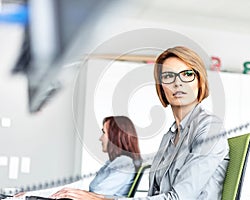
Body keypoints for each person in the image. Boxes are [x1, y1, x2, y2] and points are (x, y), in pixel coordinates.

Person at [51, 46, 230, 200]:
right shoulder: (169, 137)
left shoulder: (209, 127)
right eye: (168, 76)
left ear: (200, 81)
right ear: (161, 87)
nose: (178, 83)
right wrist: (100, 197)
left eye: (187, 74)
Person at [16, 116, 142, 198]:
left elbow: (95, 195)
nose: (100, 138)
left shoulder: (124, 163)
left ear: (115, 136)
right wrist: (32, 194)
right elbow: (83, 188)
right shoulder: (114, 163)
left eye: (104, 132)